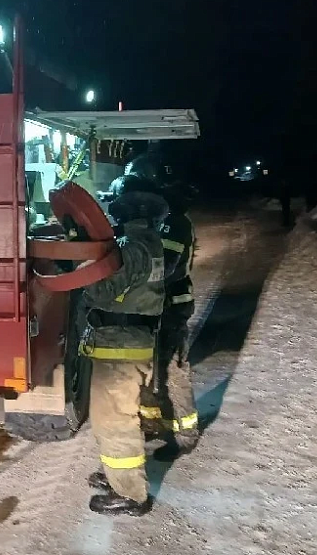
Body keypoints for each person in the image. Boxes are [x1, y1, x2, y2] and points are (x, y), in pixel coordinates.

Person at [81, 174, 168, 516]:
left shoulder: (133, 248)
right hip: (130, 343)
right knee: (117, 415)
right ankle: (117, 475)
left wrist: (87, 269)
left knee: (114, 420)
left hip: (120, 348)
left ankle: (131, 494)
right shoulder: (150, 242)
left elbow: (99, 292)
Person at [123, 154, 200, 456]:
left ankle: (185, 435)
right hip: (149, 306)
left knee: (172, 369)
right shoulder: (153, 219)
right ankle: (152, 425)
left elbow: (163, 267)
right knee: (145, 371)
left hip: (170, 306)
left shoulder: (174, 220)